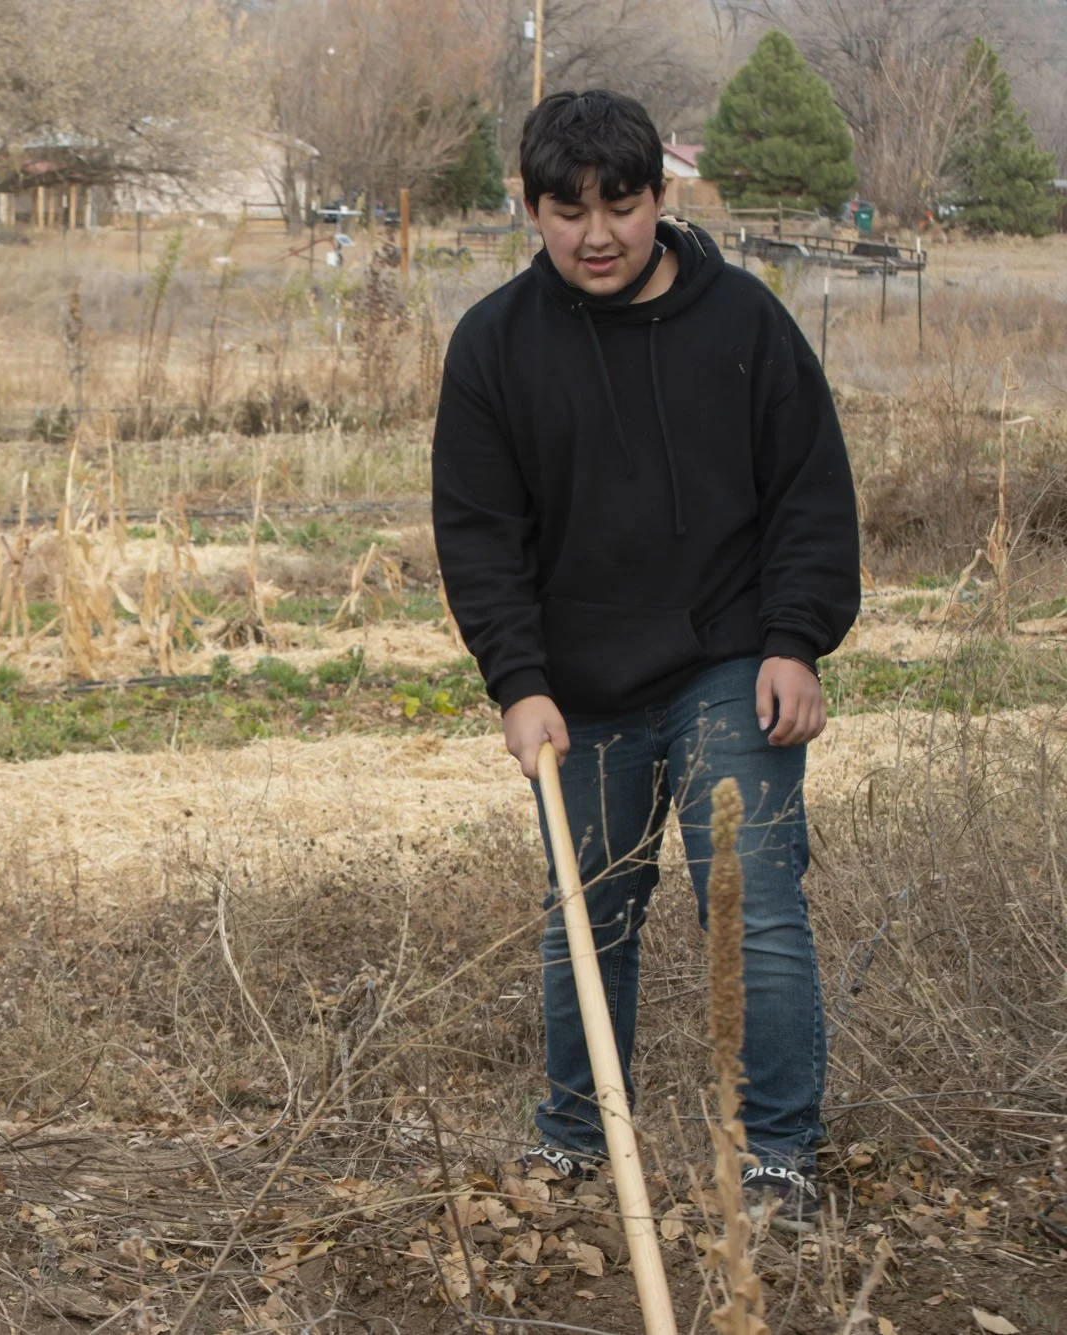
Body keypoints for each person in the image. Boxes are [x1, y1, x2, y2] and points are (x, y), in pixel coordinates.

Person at [431, 90, 860, 1232]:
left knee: (751, 900)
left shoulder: (744, 326)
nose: (594, 234)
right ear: (529, 210)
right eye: (565, 210)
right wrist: (517, 684)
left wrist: (793, 641)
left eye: (618, 205)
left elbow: (808, 493)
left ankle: (775, 1153)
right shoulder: (492, 346)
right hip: (576, 685)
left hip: (728, 657)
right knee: (587, 907)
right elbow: (478, 538)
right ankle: (578, 1137)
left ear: (658, 200)